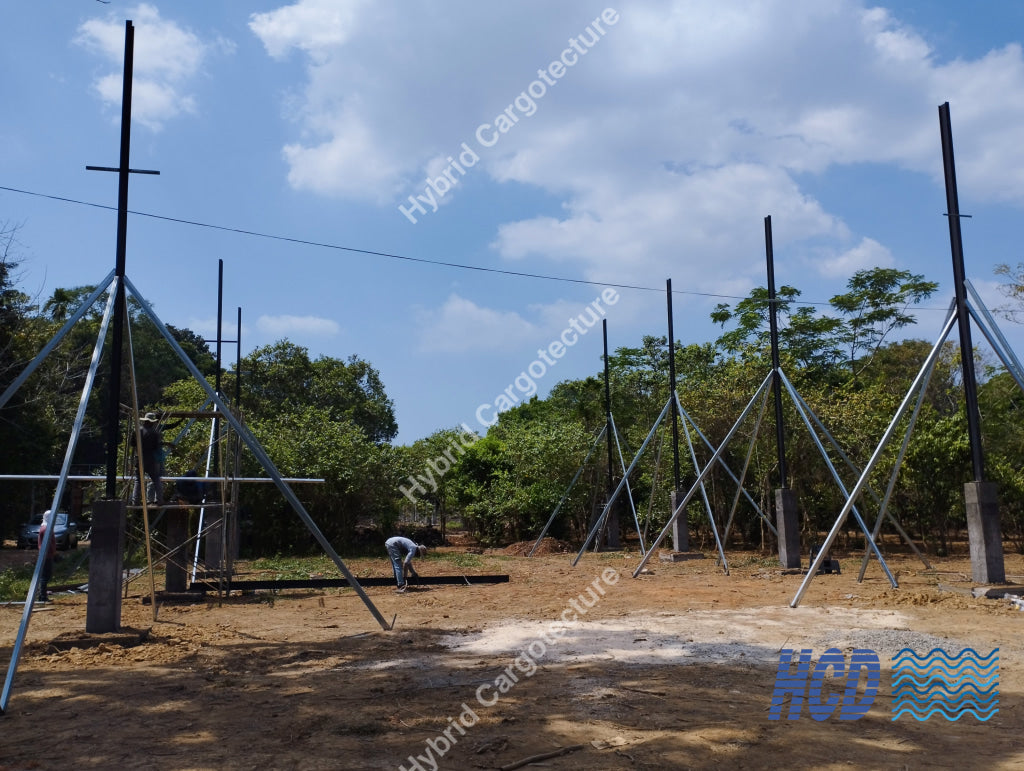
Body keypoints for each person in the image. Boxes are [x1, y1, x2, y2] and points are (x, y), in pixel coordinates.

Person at [132, 412, 175, 506]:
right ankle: (160, 500)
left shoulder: (137, 431)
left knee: (138, 480)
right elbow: (156, 447)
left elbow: (133, 444)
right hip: (151, 459)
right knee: (156, 479)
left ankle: (135, 501)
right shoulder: (155, 433)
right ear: (152, 422)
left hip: (139, 458)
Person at [37, 510, 57, 603]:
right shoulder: (46, 529)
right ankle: (42, 596)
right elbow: (48, 543)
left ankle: (42, 594)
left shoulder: (45, 527)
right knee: (45, 576)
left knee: (45, 575)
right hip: (47, 555)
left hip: (47, 554)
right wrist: (53, 552)